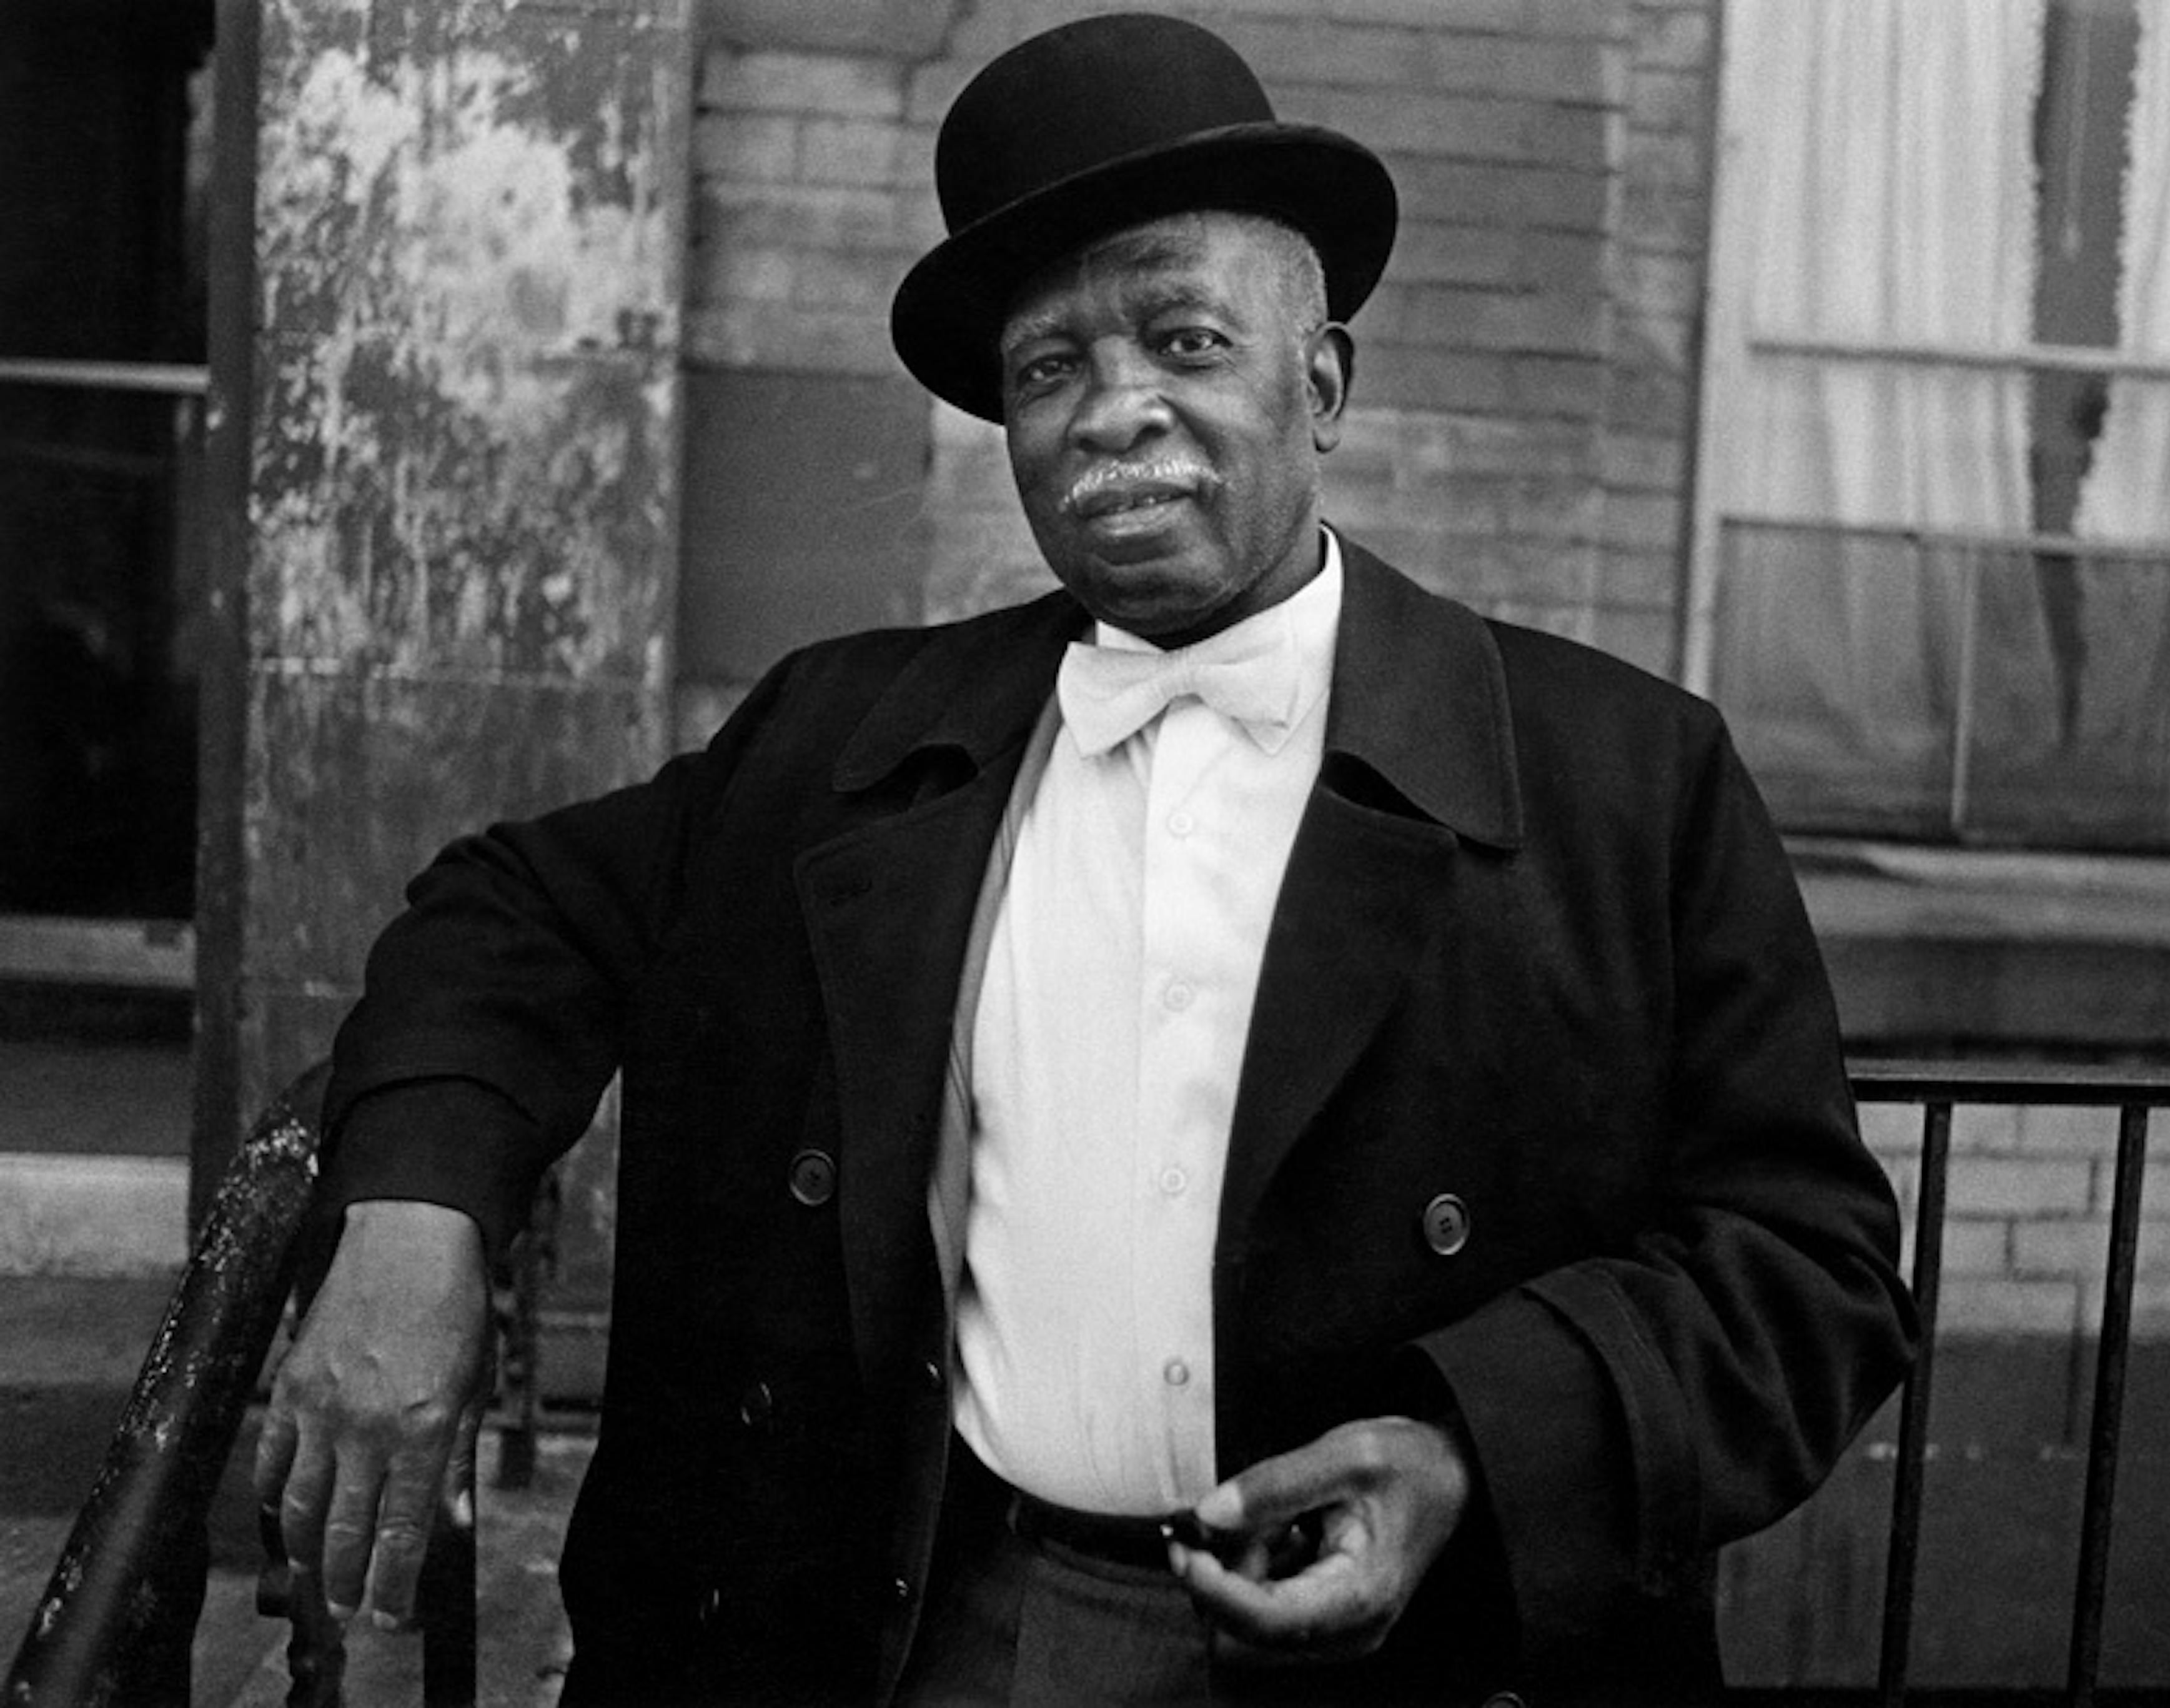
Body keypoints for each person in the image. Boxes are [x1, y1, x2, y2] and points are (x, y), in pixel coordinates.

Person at [254, 14, 1915, 1706]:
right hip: (944, 1618)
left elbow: (1812, 1269)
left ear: (1320, 383)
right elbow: (516, 909)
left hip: (1423, 1654)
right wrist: (413, 1211)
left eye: (1185, 340)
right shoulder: (844, 735)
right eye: (1051, 368)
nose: (1115, 412)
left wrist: (1472, 1452)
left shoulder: (1625, 779)